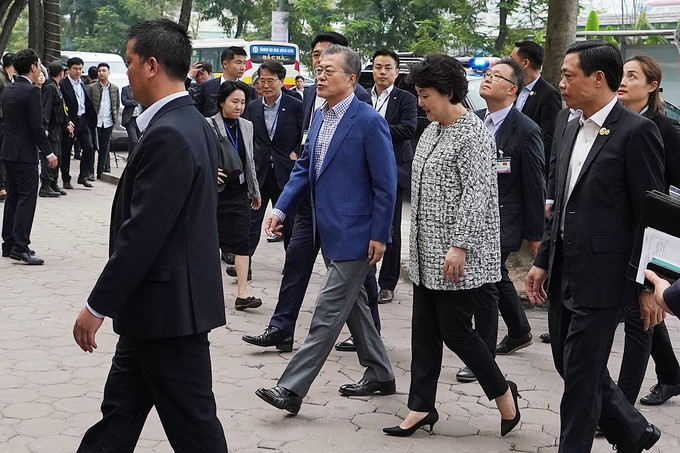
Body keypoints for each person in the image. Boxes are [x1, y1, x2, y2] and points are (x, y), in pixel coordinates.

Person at [72, 19, 228, 451]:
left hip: (169, 314)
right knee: (118, 418)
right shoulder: (188, 122)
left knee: (196, 430)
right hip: (156, 309)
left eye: (130, 62)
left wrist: (96, 304)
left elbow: (142, 235)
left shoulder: (172, 133)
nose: (127, 72)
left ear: (152, 65)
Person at [524, 40, 664, 452]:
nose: (560, 83)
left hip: (605, 276)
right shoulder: (568, 124)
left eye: (568, 75)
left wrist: (649, 284)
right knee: (567, 364)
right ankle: (634, 432)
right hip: (565, 266)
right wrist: (544, 260)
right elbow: (562, 201)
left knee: (582, 379)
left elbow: (651, 216)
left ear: (598, 78)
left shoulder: (638, 132)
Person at [383, 54, 520, 438]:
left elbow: (478, 195)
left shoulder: (474, 134)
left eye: (426, 95)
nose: (421, 102)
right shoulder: (431, 131)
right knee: (423, 331)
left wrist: (459, 245)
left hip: (457, 256)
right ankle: (420, 408)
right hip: (427, 255)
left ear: (447, 92)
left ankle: (503, 393)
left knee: (456, 330)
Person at [255, 44, 396, 414]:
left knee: (327, 311)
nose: (320, 74)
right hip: (323, 227)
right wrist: (281, 209)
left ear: (351, 79)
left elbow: (386, 184)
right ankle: (380, 373)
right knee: (356, 308)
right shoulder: (319, 116)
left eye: (329, 70)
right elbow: (304, 168)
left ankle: (291, 388)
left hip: (357, 234)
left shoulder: (368, 120)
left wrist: (381, 234)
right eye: (319, 69)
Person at [241, 31, 379, 354]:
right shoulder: (311, 101)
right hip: (308, 205)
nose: (319, 65)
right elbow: (306, 153)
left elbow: (374, 172)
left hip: (344, 210)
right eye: (316, 58)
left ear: (347, 71)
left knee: (357, 280)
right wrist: (281, 208)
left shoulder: (359, 102)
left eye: (325, 60)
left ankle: (370, 339)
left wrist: (378, 229)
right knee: (296, 262)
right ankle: (281, 328)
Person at [457, 58, 545, 383]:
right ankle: (520, 330)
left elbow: (535, 186)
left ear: (512, 89)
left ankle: (483, 358)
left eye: (496, 76)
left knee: (485, 284)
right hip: (474, 218)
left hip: (505, 221)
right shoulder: (474, 120)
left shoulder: (525, 130)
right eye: (486, 74)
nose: (488, 79)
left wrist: (536, 234)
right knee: (495, 277)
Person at [616, 55, 680, 407]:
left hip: (656, 238)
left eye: (633, 76)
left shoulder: (665, 128)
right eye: (621, 74)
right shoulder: (618, 121)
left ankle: (620, 410)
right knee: (643, 310)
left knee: (641, 312)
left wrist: (663, 264)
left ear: (652, 85)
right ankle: (671, 374)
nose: (623, 81)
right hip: (622, 233)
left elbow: (673, 197)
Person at [235, 61, 302, 280]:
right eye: (261, 80)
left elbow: (304, 132)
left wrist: (296, 151)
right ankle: (245, 265)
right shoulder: (253, 107)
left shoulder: (295, 105)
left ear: (282, 82)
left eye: (270, 80)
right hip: (260, 172)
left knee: (289, 222)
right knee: (251, 222)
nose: (265, 85)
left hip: (286, 172)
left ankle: (292, 265)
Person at [208, 80, 262, 309]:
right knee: (210, 244)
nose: (239, 106)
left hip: (239, 193)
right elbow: (200, 155)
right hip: (215, 194)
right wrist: (211, 171)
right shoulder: (208, 125)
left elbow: (249, 160)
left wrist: (255, 191)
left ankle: (242, 294)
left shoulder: (246, 126)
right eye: (234, 101)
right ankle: (208, 294)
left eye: (242, 102)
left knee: (242, 242)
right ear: (222, 102)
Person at [369, 49, 417, 306]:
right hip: (365, 170)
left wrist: (373, 127)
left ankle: (387, 284)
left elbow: (408, 128)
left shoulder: (405, 99)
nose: (382, 72)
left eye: (388, 67)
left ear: (397, 72)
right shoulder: (362, 97)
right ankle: (365, 277)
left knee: (391, 228)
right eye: (378, 67)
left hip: (394, 170)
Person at [0, 49, 57, 265]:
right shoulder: (31, 92)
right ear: (33, 67)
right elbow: (36, 126)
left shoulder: (10, 89)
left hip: (8, 150)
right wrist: (49, 152)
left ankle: (9, 243)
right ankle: (21, 246)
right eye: (39, 64)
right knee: (26, 198)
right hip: (24, 153)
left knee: (13, 197)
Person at [510, 40, 562, 178]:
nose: (508, 65)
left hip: (530, 168)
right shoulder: (514, 89)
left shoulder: (548, 94)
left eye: (512, 60)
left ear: (525, 63)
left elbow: (548, 138)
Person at [60, 57, 97, 189]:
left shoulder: (82, 83)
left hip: (83, 120)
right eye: (75, 69)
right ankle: (65, 178)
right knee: (66, 150)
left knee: (89, 147)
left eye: (80, 69)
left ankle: (83, 176)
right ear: (69, 69)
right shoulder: (63, 84)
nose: (78, 72)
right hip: (70, 120)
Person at [40, 60, 73, 198]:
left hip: (58, 127)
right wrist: (45, 126)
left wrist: (66, 123)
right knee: (50, 155)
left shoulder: (56, 87)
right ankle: (46, 185)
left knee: (58, 155)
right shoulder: (49, 87)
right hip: (51, 127)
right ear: (61, 73)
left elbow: (62, 108)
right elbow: (46, 108)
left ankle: (53, 182)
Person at [193, 46, 256, 116]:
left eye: (244, 63)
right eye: (238, 63)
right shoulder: (205, 87)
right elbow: (196, 114)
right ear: (225, 64)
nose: (243, 67)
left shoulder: (250, 90)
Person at [86, 62, 120, 179]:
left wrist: (114, 118)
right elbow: (88, 106)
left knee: (104, 148)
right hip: (95, 122)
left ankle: (100, 171)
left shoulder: (114, 88)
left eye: (104, 71)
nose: (101, 73)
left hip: (108, 122)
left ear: (108, 72)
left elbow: (116, 104)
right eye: (99, 71)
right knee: (93, 147)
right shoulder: (91, 88)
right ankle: (90, 171)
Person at [0, 52, 15, 202]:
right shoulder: (1, 78)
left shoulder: (11, 79)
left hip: (8, 120)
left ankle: (4, 186)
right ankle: (2, 186)